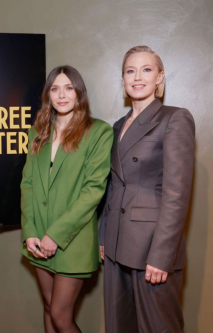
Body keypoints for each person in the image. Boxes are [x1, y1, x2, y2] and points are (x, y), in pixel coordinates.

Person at [99, 45, 195, 332]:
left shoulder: (175, 118)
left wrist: (161, 256)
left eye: (146, 69)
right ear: (124, 80)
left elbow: (176, 194)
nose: (137, 77)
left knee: (158, 327)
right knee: (120, 325)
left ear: (159, 77)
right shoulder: (116, 126)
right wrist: (104, 236)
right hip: (117, 246)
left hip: (151, 248)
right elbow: (113, 186)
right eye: (130, 71)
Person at [21, 65, 113, 332]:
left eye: (69, 88)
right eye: (55, 88)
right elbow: (27, 184)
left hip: (72, 241)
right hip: (37, 240)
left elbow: (93, 191)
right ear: (48, 95)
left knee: (61, 315)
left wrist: (56, 236)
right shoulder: (36, 133)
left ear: (78, 93)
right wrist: (30, 232)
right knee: (49, 310)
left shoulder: (98, 132)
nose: (62, 95)